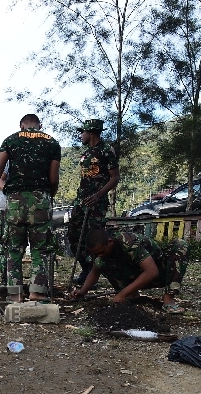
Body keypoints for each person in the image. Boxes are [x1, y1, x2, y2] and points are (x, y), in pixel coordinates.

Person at [0, 114, 61, 302]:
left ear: (21, 125)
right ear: (40, 125)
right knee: (40, 249)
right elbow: (53, 178)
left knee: (13, 248)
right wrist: (49, 196)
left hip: (14, 201)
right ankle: (37, 293)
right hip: (41, 199)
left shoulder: (11, 140)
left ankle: (15, 295)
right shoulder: (52, 143)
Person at [72, 228, 188, 314]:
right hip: (136, 275)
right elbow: (95, 272)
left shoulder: (128, 242)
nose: (100, 255)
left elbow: (152, 272)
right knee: (100, 262)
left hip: (159, 273)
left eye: (101, 251)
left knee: (180, 245)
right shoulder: (100, 254)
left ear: (110, 242)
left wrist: (121, 294)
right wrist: (82, 291)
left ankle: (168, 300)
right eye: (96, 253)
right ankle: (131, 295)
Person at [67, 119, 119, 287]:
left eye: (83, 132)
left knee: (95, 239)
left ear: (91, 132)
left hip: (97, 203)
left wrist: (98, 195)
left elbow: (115, 178)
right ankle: (86, 269)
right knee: (73, 235)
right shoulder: (86, 153)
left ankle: (94, 277)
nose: (81, 135)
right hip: (81, 201)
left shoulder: (106, 150)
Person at [0, 172, 9, 287]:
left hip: (24, 207)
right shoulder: (9, 158)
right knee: (4, 245)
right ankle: (5, 280)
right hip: (5, 207)